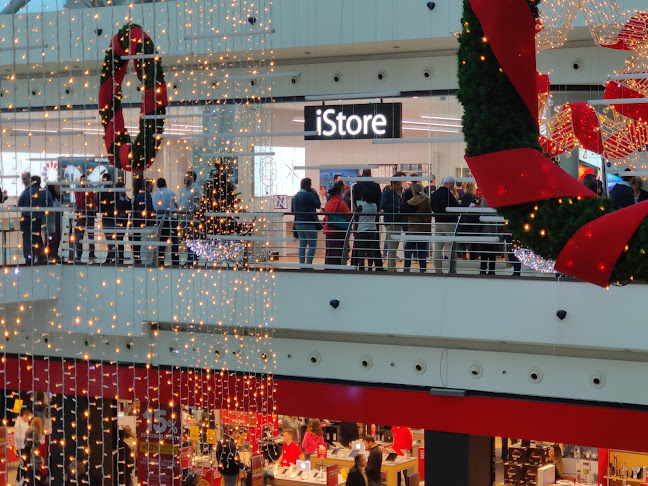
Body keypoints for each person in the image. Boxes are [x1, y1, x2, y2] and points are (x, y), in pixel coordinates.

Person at [429, 176, 460, 274]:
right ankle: (451, 269)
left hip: (438, 222)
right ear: (450, 183)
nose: (453, 187)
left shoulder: (434, 194)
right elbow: (454, 208)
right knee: (451, 246)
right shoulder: (449, 195)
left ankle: (438, 269)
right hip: (449, 223)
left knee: (438, 247)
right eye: (453, 185)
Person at [400, 183, 432, 273]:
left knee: (408, 250)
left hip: (414, 228)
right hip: (425, 229)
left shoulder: (412, 202)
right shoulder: (427, 200)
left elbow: (402, 209)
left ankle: (406, 268)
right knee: (422, 251)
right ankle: (423, 269)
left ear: (414, 191)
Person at [291, 178, 321, 265]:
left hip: (298, 224)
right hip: (309, 223)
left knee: (302, 244)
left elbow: (293, 212)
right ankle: (308, 264)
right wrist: (315, 194)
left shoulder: (295, 197)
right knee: (312, 245)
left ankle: (301, 264)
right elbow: (318, 205)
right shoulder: (310, 195)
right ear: (308, 185)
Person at [381, 172, 405, 272]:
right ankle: (391, 268)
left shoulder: (397, 194)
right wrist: (396, 208)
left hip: (397, 222)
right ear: (393, 184)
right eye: (398, 184)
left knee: (394, 246)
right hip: (391, 222)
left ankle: (392, 267)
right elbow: (382, 205)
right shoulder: (387, 193)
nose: (400, 186)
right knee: (392, 246)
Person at [152, 178, 180, 266]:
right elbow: (177, 205)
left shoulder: (154, 195)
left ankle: (161, 261)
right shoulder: (171, 193)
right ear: (165, 184)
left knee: (162, 241)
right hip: (171, 219)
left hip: (160, 220)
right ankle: (175, 261)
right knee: (174, 241)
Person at [323, 182, 351, 266]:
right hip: (339, 230)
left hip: (328, 230)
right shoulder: (341, 203)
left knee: (330, 252)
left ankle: (329, 268)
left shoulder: (328, 203)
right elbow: (348, 215)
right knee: (339, 252)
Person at [354, 190, 382, 271]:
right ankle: (370, 267)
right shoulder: (374, 206)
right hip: (372, 230)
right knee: (370, 250)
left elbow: (355, 215)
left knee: (361, 251)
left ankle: (361, 267)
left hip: (362, 230)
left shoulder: (361, 206)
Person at [178, 171, 202, 266]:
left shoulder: (196, 189)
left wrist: (196, 211)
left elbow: (199, 201)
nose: (186, 178)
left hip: (192, 218)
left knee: (193, 238)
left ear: (192, 178)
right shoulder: (182, 189)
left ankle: (194, 259)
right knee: (186, 239)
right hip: (184, 218)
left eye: (188, 176)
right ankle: (189, 259)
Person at [74, 175, 98, 263]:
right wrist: (89, 199)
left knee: (86, 235)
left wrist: (86, 199)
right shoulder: (88, 191)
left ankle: (88, 253)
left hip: (85, 215)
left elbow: (94, 201)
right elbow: (79, 202)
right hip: (84, 215)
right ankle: (81, 254)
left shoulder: (81, 191)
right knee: (81, 236)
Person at [132, 178, 155, 265]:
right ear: (148, 186)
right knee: (145, 242)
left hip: (139, 222)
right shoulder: (145, 195)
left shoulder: (138, 194)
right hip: (144, 223)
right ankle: (145, 261)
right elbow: (147, 208)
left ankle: (139, 260)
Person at [99, 173, 118, 265]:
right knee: (112, 237)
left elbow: (100, 205)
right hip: (113, 217)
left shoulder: (102, 192)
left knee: (109, 237)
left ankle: (113, 256)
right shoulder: (113, 191)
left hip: (106, 217)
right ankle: (111, 256)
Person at [114, 182, 131, 264]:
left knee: (121, 238)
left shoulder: (125, 197)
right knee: (118, 238)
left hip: (124, 220)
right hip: (118, 220)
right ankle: (118, 256)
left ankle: (120, 255)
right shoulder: (116, 197)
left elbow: (129, 205)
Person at [46, 184, 63, 263]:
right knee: (52, 237)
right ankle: (50, 254)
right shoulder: (50, 199)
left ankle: (54, 253)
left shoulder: (56, 199)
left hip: (56, 220)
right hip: (52, 221)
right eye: (58, 188)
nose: (59, 190)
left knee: (57, 236)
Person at [14, 408, 32, 483]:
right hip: (20, 446)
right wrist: (26, 438)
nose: (29, 420)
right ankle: (20, 478)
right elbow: (17, 437)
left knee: (26, 462)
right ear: (24, 415)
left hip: (26, 445)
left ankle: (23, 477)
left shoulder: (25, 423)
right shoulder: (18, 424)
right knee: (24, 462)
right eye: (28, 418)